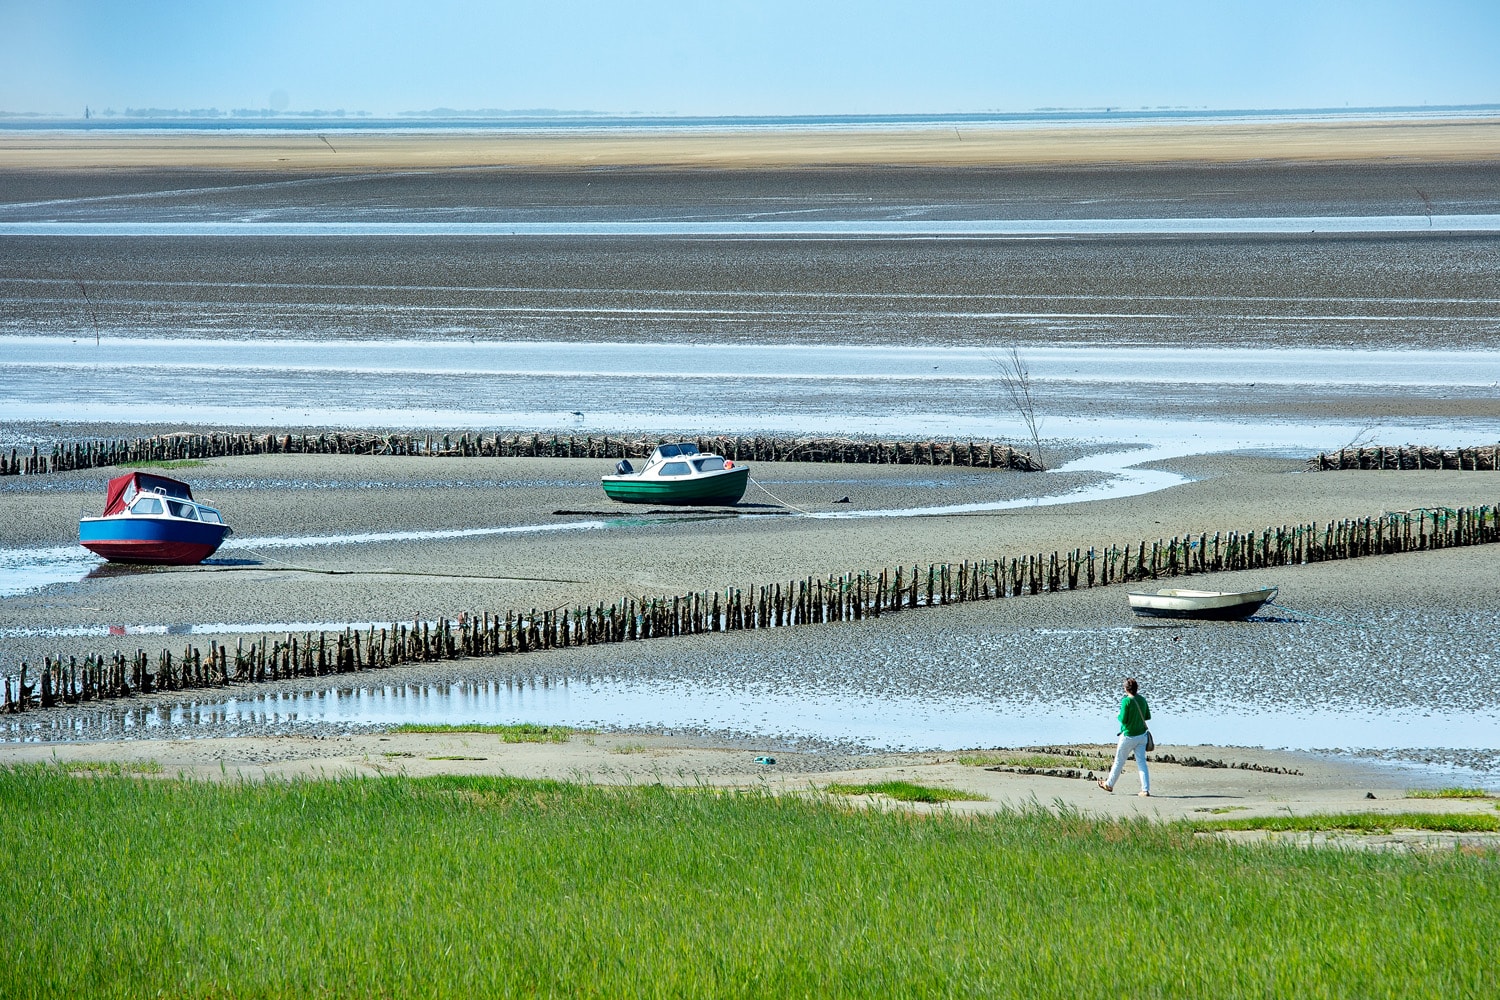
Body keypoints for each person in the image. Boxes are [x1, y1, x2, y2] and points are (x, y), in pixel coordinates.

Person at [1097, 677, 1151, 797]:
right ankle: (1145, 790)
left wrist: (1118, 715)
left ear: (1126, 689)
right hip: (1142, 736)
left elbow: (1123, 720)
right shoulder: (1142, 699)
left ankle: (1109, 784)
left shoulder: (1126, 701)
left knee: (1119, 761)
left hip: (1128, 736)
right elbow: (1147, 716)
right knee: (1142, 762)